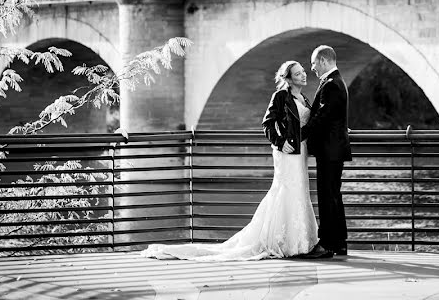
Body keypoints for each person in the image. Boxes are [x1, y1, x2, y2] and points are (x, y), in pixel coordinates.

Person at [140, 61, 317, 261]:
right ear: (288, 78)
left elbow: (310, 125)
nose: (304, 75)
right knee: (285, 190)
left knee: (299, 190)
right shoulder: (280, 97)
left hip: (301, 152)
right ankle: (282, 241)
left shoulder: (304, 98)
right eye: (298, 73)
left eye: (303, 71)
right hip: (286, 152)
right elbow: (267, 124)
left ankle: (299, 239)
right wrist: (280, 142)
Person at [300, 45, 352, 259]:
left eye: (313, 63)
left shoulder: (331, 85)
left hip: (329, 151)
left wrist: (300, 133)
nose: (312, 68)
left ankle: (327, 244)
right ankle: (339, 242)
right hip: (334, 149)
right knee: (333, 197)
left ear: (322, 60)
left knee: (327, 197)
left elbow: (322, 117)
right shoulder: (337, 82)